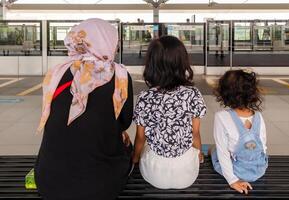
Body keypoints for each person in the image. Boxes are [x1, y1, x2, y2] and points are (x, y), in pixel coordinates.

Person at [35, 18, 133, 200]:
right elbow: (125, 121)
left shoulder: (57, 72)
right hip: (101, 187)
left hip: (48, 182)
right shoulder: (120, 75)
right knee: (125, 145)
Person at [132, 35, 207, 189]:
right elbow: (195, 134)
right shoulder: (192, 93)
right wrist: (198, 154)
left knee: (148, 147)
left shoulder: (145, 97)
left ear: (151, 64)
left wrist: (135, 157)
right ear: (182, 62)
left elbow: (141, 137)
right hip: (186, 174)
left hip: (154, 174)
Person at [211, 69, 268, 195]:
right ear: (252, 93)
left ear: (225, 94)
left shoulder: (221, 116)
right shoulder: (258, 116)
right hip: (259, 169)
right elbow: (263, 147)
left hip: (238, 171)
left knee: (215, 150)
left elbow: (223, 153)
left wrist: (233, 180)